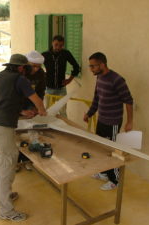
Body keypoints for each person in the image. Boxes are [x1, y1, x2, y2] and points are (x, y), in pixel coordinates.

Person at [0, 54, 47, 222]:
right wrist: (42, 112)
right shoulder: (20, 80)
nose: (28, 71)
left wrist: (21, 112)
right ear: (21, 68)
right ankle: (5, 210)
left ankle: (5, 197)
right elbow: (37, 100)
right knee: (7, 167)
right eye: (26, 68)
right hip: (3, 129)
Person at [83, 52, 133, 191]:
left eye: (93, 66)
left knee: (112, 151)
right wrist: (89, 113)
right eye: (90, 66)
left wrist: (130, 122)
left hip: (113, 122)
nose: (91, 69)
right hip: (102, 119)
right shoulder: (99, 77)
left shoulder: (117, 80)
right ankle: (104, 173)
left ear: (102, 64)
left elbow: (129, 101)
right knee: (101, 148)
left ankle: (115, 180)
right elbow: (97, 98)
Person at [16, 50, 46, 172]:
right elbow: (13, 95)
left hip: (31, 106)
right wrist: (20, 110)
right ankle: (16, 162)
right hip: (18, 107)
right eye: (33, 66)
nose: (36, 69)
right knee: (17, 136)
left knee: (30, 135)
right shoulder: (20, 74)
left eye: (38, 67)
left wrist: (37, 107)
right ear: (26, 64)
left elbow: (40, 92)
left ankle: (27, 160)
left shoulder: (41, 74)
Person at [42, 35, 80, 117]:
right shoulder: (45, 55)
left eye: (61, 45)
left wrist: (69, 80)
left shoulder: (66, 54)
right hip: (49, 88)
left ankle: (63, 129)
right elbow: (36, 67)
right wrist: (43, 77)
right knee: (48, 112)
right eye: (56, 44)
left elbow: (76, 67)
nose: (58, 47)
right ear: (52, 43)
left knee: (63, 113)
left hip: (61, 89)